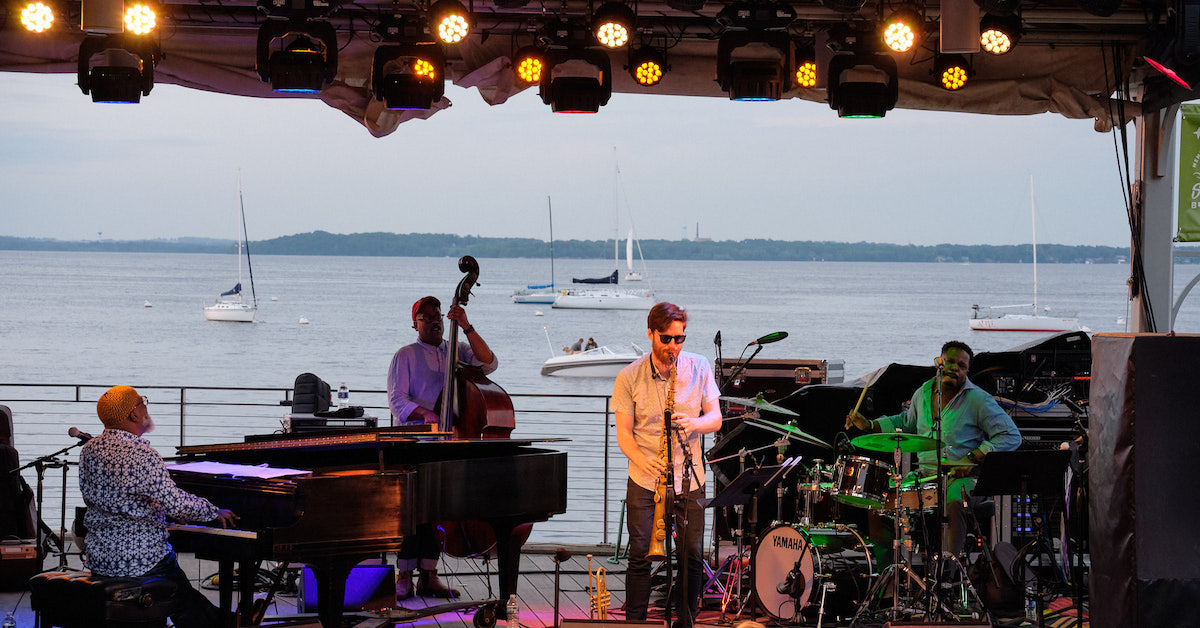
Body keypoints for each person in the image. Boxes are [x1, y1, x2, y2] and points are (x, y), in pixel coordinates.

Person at [79, 386, 239, 628]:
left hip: (100, 559)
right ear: (133, 414)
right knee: (179, 592)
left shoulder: (89, 449)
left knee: (184, 594)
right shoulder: (143, 454)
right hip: (140, 561)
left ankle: (222, 621)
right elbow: (176, 504)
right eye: (142, 402)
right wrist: (213, 511)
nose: (146, 406)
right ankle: (223, 623)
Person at [845, 340, 1021, 555]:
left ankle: (950, 570)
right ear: (939, 362)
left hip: (963, 477)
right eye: (950, 362)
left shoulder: (978, 400)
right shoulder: (923, 392)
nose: (954, 368)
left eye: (962, 365)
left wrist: (973, 457)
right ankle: (890, 573)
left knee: (955, 501)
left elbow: (1011, 436)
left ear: (967, 370)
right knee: (880, 500)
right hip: (925, 475)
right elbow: (907, 422)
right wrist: (870, 424)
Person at [614, 302, 722, 628]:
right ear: (650, 334)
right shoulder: (629, 376)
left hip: (689, 477)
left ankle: (685, 622)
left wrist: (694, 424)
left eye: (680, 339)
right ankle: (636, 623)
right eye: (666, 339)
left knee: (691, 558)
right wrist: (642, 458)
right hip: (646, 478)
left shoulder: (699, 366)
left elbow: (715, 419)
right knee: (639, 556)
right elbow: (624, 435)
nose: (673, 346)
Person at [386, 295, 497, 599]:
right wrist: (429, 414)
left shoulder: (457, 351)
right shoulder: (405, 355)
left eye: (438, 315)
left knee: (437, 511)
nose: (434, 320)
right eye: (427, 317)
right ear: (415, 324)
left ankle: (429, 575)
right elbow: (397, 399)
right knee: (412, 512)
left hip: (448, 443)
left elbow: (489, 363)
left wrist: (467, 326)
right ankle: (405, 576)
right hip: (414, 443)